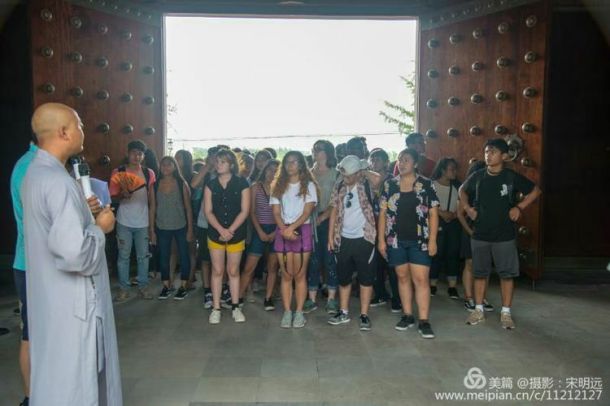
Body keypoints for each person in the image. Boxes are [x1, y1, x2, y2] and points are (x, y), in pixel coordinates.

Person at [22, 103, 121, 405]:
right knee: (75, 382)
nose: (83, 132)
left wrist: (83, 213)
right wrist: (101, 228)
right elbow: (75, 255)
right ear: (64, 132)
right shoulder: (58, 182)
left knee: (56, 375)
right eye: (79, 125)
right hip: (72, 303)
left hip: (52, 298)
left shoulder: (36, 173)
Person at [460, 139, 541, 329]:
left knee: (506, 274)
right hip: (480, 233)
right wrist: (468, 209)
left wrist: (519, 207)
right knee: (480, 273)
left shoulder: (511, 176)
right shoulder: (478, 176)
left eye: (493, 152)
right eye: (486, 151)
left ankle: (506, 313)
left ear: (504, 156)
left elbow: (536, 191)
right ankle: (478, 310)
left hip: (504, 234)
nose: (488, 155)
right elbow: (462, 190)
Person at [378, 148, 439, 339]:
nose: (401, 163)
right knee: (402, 278)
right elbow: (382, 213)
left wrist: (433, 241)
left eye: (406, 160)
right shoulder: (389, 184)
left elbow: (433, 213)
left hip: (420, 240)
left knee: (421, 280)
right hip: (395, 239)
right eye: (399, 159)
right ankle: (407, 315)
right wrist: (381, 240)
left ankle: (424, 320)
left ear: (415, 163)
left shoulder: (426, 184)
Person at [327, 156, 382, 330]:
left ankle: (364, 315)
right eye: (343, 174)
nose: (345, 178)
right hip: (342, 238)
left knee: (366, 278)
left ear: (358, 173)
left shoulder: (366, 184)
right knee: (344, 278)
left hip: (364, 238)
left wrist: (362, 171)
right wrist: (330, 236)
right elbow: (334, 210)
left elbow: (378, 179)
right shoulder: (339, 186)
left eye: (349, 175)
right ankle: (343, 312)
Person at [270, 151, 318, 328]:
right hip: (283, 230)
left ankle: (298, 312)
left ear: (301, 165)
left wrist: (291, 228)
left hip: (301, 229)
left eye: (294, 162)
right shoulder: (277, 186)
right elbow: (276, 212)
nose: (290, 165)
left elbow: (307, 212)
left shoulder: (309, 186)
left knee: (299, 274)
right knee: (286, 274)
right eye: (287, 162)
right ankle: (287, 311)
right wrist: (285, 229)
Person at [204, 149, 250, 324]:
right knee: (217, 271)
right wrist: (220, 230)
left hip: (236, 233)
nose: (218, 165)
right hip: (215, 233)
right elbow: (208, 211)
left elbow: (245, 211)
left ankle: (235, 307)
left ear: (231, 164)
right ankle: (216, 308)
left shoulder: (242, 183)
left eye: (222, 162)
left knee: (233, 271)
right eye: (217, 161)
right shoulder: (210, 184)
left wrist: (230, 230)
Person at [109, 140, 156, 301]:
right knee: (123, 257)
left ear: (144, 156)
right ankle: (124, 289)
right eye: (134, 152)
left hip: (143, 222)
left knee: (144, 257)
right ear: (127, 153)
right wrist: (122, 194)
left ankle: (143, 287)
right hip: (124, 221)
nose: (137, 156)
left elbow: (152, 201)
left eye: (140, 153)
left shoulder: (149, 173)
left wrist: (151, 226)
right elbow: (111, 196)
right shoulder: (118, 171)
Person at [10, 141, 38, 406]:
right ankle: (32, 398)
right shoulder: (33, 168)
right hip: (34, 266)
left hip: (36, 263)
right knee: (32, 334)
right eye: (77, 124)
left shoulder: (36, 165)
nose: (81, 130)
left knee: (36, 333)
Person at [149, 156, 194, 300]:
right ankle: (166, 285)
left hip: (181, 225)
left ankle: (183, 286)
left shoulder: (182, 184)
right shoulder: (154, 185)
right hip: (162, 226)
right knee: (163, 257)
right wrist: (151, 230)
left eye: (169, 164)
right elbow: (152, 208)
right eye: (163, 165)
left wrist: (190, 229)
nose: (166, 167)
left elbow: (188, 208)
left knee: (184, 255)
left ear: (175, 167)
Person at [238, 159, 281, 310]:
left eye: (276, 170)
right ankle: (239, 297)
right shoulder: (256, 187)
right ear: (264, 170)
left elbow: (284, 213)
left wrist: (276, 231)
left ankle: (268, 298)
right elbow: (251, 212)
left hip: (276, 229)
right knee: (249, 267)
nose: (272, 173)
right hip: (259, 229)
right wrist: (260, 231)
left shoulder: (281, 189)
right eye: (270, 169)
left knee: (272, 267)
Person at [305, 140, 340, 314]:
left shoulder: (336, 174)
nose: (315, 152)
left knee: (330, 259)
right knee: (313, 260)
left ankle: (332, 298)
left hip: (330, 220)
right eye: (314, 149)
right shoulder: (308, 174)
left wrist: (323, 216)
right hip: (309, 220)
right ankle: (311, 298)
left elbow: (337, 200)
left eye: (319, 149)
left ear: (328, 152)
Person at [457, 160, 494, 312]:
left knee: (485, 265)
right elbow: (460, 214)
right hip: (470, 229)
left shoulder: (492, 188)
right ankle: (469, 298)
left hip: (488, 231)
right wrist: (470, 232)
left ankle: (482, 298)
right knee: (470, 264)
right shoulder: (467, 189)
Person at [368, 148, 401, 311]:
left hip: (389, 227)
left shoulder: (392, 181)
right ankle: (380, 293)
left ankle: (397, 298)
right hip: (371, 226)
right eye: (372, 159)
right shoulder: (366, 179)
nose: (374, 162)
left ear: (386, 162)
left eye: (378, 159)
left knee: (392, 264)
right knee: (375, 264)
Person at [429, 158, 462, 299]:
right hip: (437, 221)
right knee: (436, 253)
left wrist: (454, 215)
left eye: (455, 169)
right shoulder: (432, 185)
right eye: (451, 169)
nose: (454, 172)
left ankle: (452, 287)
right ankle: (432, 284)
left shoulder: (458, 186)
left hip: (454, 223)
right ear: (443, 170)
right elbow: (427, 203)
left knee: (453, 253)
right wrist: (442, 214)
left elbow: (464, 203)